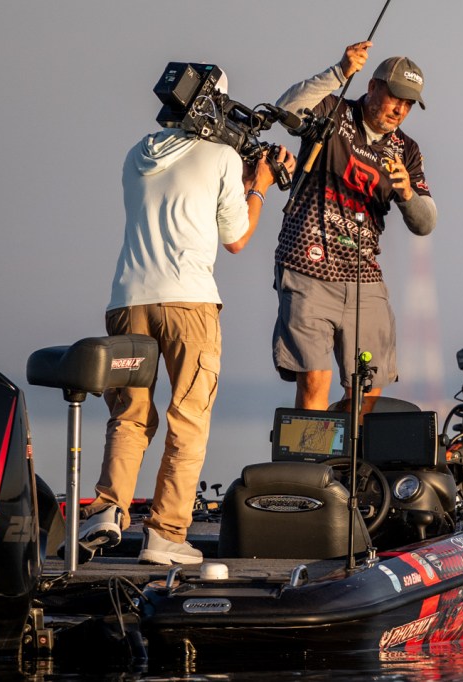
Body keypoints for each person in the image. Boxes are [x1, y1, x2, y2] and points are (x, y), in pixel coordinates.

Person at [62, 72, 297, 566]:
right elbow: (236, 239)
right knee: (188, 418)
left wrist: (239, 173)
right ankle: (165, 535)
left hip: (127, 301)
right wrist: (259, 186)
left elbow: (183, 194)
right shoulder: (222, 157)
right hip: (189, 302)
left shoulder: (136, 154)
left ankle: (107, 510)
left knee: (129, 414)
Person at [272, 41, 436, 410]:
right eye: (396, 98)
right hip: (307, 265)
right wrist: (339, 72)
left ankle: (343, 446)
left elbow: (425, 222)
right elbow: (286, 110)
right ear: (373, 86)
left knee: (369, 388)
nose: (400, 109)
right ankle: (313, 449)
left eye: (409, 104)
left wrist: (407, 194)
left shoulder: (407, 150)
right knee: (315, 379)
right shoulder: (333, 111)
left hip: (364, 274)